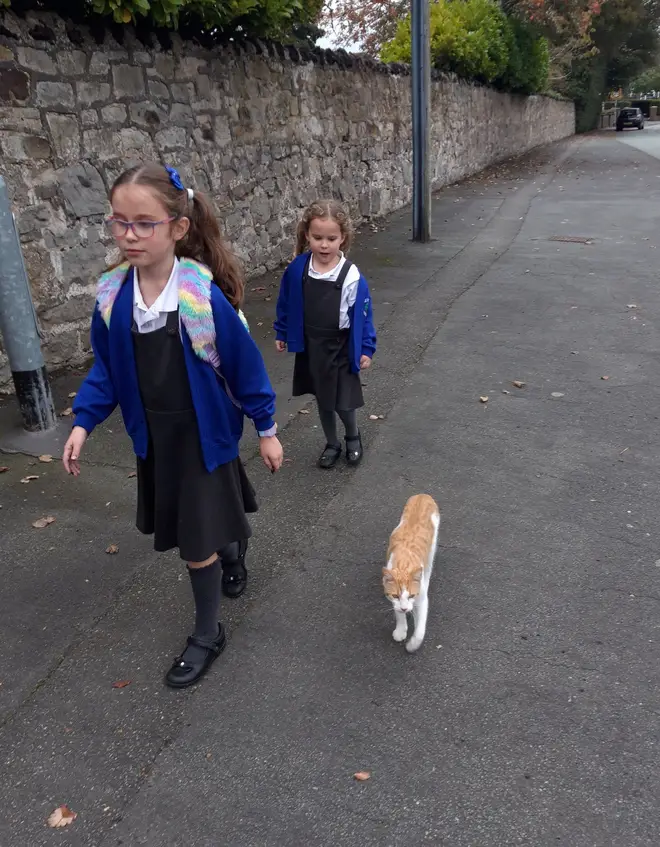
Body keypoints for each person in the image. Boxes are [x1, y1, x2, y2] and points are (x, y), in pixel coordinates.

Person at [62, 163, 283, 689]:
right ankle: (232, 547)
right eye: (119, 222)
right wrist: (84, 422)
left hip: (203, 432)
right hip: (156, 438)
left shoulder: (199, 298)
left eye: (144, 223)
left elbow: (244, 367)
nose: (129, 235)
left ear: (178, 228)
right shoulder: (114, 296)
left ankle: (208, 633)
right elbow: (108, 368)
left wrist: (268, 428)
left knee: (193, 541)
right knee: (202, 523)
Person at [274, 200, 376, 469]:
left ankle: (353, 436)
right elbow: (286, 302)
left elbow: (364, 316)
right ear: (307, 235)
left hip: (340, 346)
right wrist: (282, 331)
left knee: (343, 402)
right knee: (323, 399)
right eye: (317, 237)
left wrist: (366, 347)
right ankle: (332, 443)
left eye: (331, 238)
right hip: (312, 345)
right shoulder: (298, 269)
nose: (324, 245)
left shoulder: (352, 276)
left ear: (342, 238)